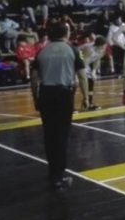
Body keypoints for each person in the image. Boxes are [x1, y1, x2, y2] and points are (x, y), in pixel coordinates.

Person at [30, 22, 88, 190]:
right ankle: (59, 175)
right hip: (64, 95)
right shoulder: (73, 50)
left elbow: (34, 78)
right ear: (66, 33)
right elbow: (82, 76)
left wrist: (36, 98)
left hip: (46, 94)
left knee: (49, 135)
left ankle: (52, 172)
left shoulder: (42, 51)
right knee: (61, 135)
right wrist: (86, 97)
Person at [79, 33, 111, 110]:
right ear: (101, 45)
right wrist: (86, 73)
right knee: (76, 83)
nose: (105, 46)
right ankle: (81, 104)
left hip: (85, 62)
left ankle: (89, 103)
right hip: (78, 59)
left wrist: (94, 71)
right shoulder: (89, 50)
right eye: (104, 45)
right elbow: (83, 62)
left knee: (91, 81)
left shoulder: (102, 50)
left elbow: (97, 60)